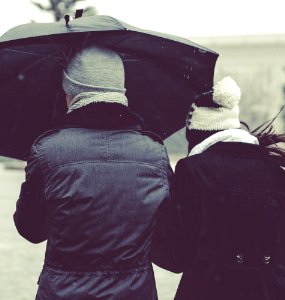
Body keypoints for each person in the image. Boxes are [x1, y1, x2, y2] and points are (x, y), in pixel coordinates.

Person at [13, 45, 172, 299]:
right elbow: (168, 236)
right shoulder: (154, 153)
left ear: (71, 94)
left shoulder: (48, 151)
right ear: (121, 93)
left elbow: (30, 230)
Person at [151, 76, 285, 300]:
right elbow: (284, 256)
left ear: (196, 133)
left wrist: (150, 222)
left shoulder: (193, 170)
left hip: (210, 291)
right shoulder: (277, 174)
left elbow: (176, 256)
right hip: (271, 291)